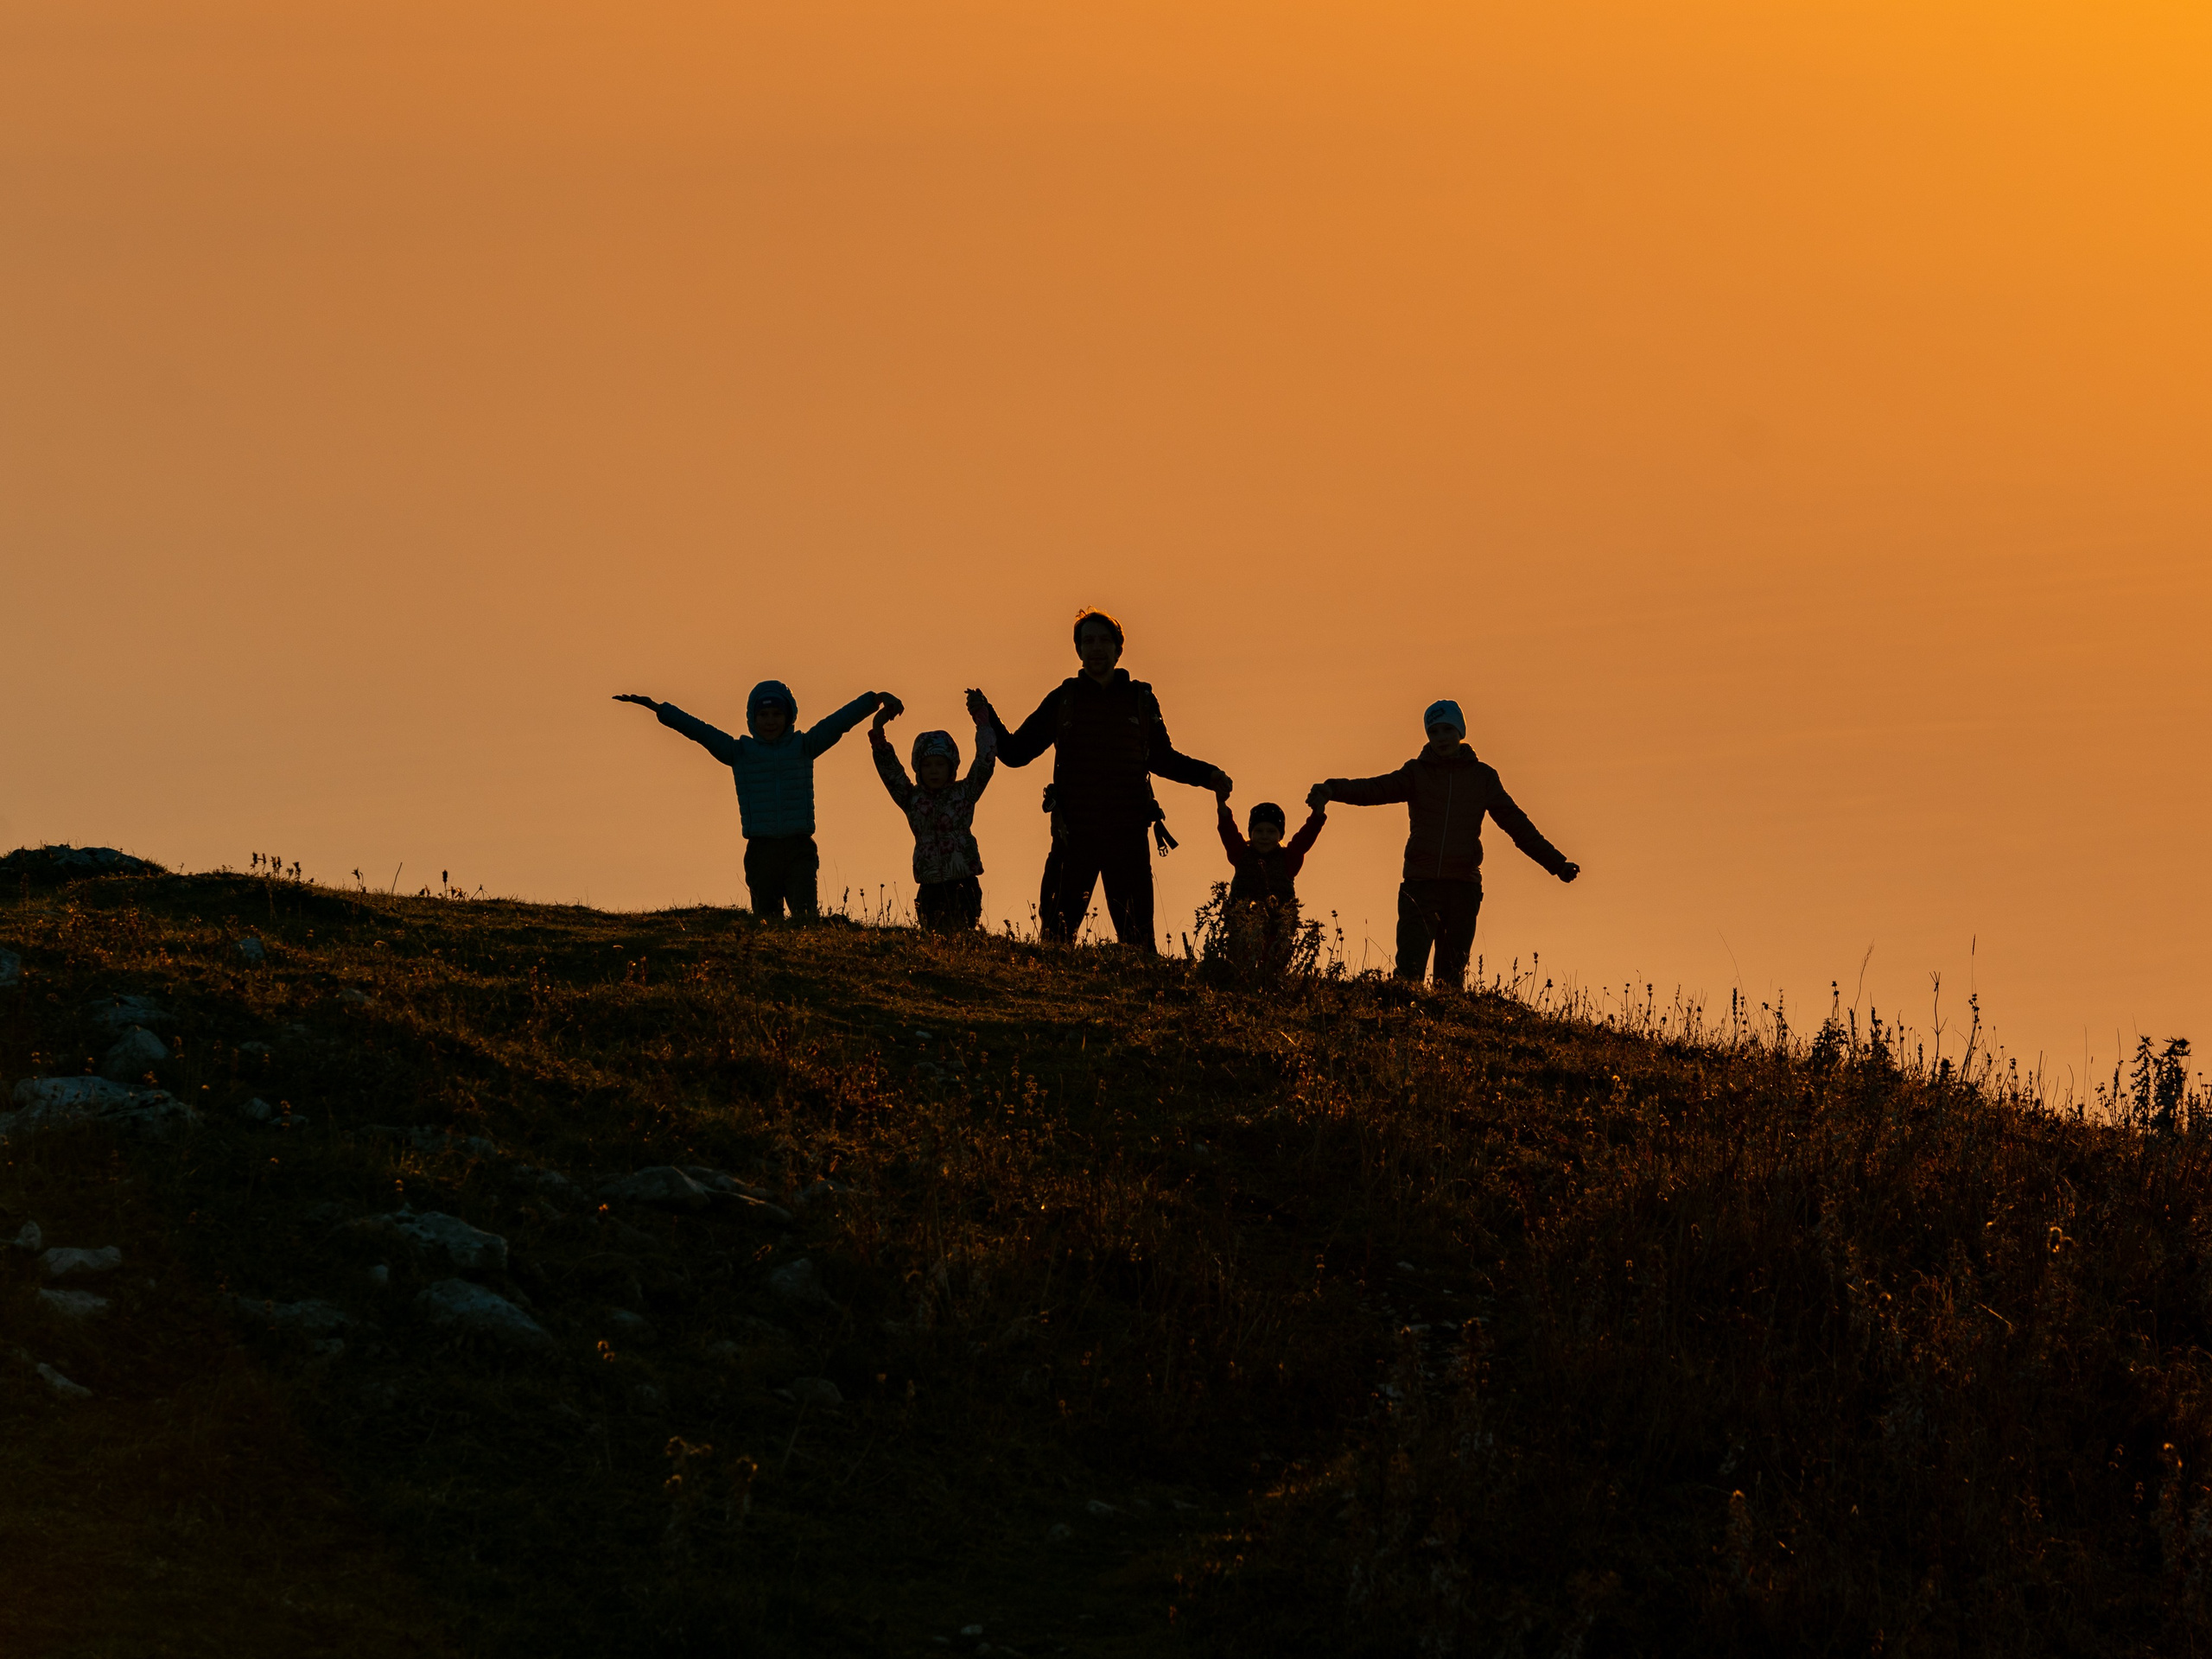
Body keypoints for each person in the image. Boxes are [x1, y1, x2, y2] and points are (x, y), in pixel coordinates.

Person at [976, 609, 1230, 950]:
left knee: (1138, 947)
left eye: (1104, 641)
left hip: (1128, 835)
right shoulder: (1064, 699)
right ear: (1078, 650)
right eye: (1089, 641)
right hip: (1073, 835)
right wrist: (987, 715)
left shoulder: (1140, 700)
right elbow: (1016, 753)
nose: (1096, 648)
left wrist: (1209, 775)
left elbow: (1162, 759)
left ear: (1118, 649)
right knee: (1055, 943)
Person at [1314, 699, 1579, 987]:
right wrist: (1332, 789)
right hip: (1420, 886)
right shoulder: (1416, 773)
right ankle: (1400, 1015)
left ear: (1460, 732)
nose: (1441, 737)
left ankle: (1444, 1017)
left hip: (1462, 888)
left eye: (1447, 729)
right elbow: (1374, 789)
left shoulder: (1483, 778)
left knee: (1450, 980)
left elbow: (1518, 826)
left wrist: (1558, 864)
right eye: (1434, 731)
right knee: (1408, 975)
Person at [613, 679, 895, 919]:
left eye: (777, 714)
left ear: (789, 716)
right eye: (764, 715)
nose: (770, 721)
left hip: (799, 850)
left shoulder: (804, 746)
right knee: (766, 923)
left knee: (805, 919)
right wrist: (660, 709)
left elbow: (838, 723)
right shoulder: (740, 752)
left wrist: (875, 700)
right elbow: (699, 731)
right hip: (761, 852)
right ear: (753, 718)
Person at [869, 690, 997, 931]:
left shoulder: (965, 793)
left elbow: (985, 761)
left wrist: (983, 722)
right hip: (929, 887)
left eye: (940, 764)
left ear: (951, 766)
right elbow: (890, 771)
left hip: (964, 884)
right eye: (927, 765)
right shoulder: (911, 799)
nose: (934, 770)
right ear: (918, 768)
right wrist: (878, 732)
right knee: (934, 939)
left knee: (962, 939)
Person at [1212, 781, 1329, 973]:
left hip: (1278, 927)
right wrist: (1222, 805)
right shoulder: (1241, 854)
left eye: (1271, 831)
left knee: (1273, 969)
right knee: (1239, 967)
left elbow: (1305, 838)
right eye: (1259, 831)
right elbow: (1228, 831)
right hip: (1242, 925)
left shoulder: (1288, 859)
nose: (1264, 836)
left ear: (1280, 835)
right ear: (1250, 833)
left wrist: (1317, 815)